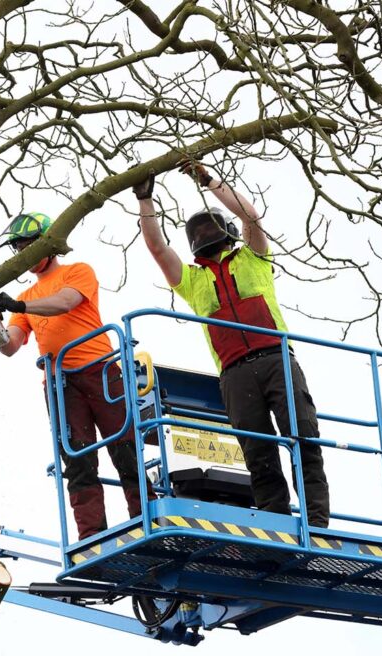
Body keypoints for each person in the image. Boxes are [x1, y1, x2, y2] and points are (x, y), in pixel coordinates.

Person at [132, 164, 330, 528]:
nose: (204, 232)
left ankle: (317, 524)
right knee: (258, 451)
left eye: (210, 225)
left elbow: (250, 214)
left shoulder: (253, 256)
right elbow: (158, 249)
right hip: (235, 373)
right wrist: (145, 200)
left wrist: (208, 180)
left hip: (277, 360)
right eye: (199, 230)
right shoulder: (192, 280)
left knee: (303, 436)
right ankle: (276, 523)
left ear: (227, 233)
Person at [0, 212, 146, 540]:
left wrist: (18, 306)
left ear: (48, 243)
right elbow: (11, 346)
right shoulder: (28, 299)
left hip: (101, 370)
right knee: (77, 460)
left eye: (28, 245)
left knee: (125, 446)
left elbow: (65, 302)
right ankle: (91, 535)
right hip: (61, 385)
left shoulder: (78, 272)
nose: (24, 253)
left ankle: (145, 516)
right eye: (19, 249)